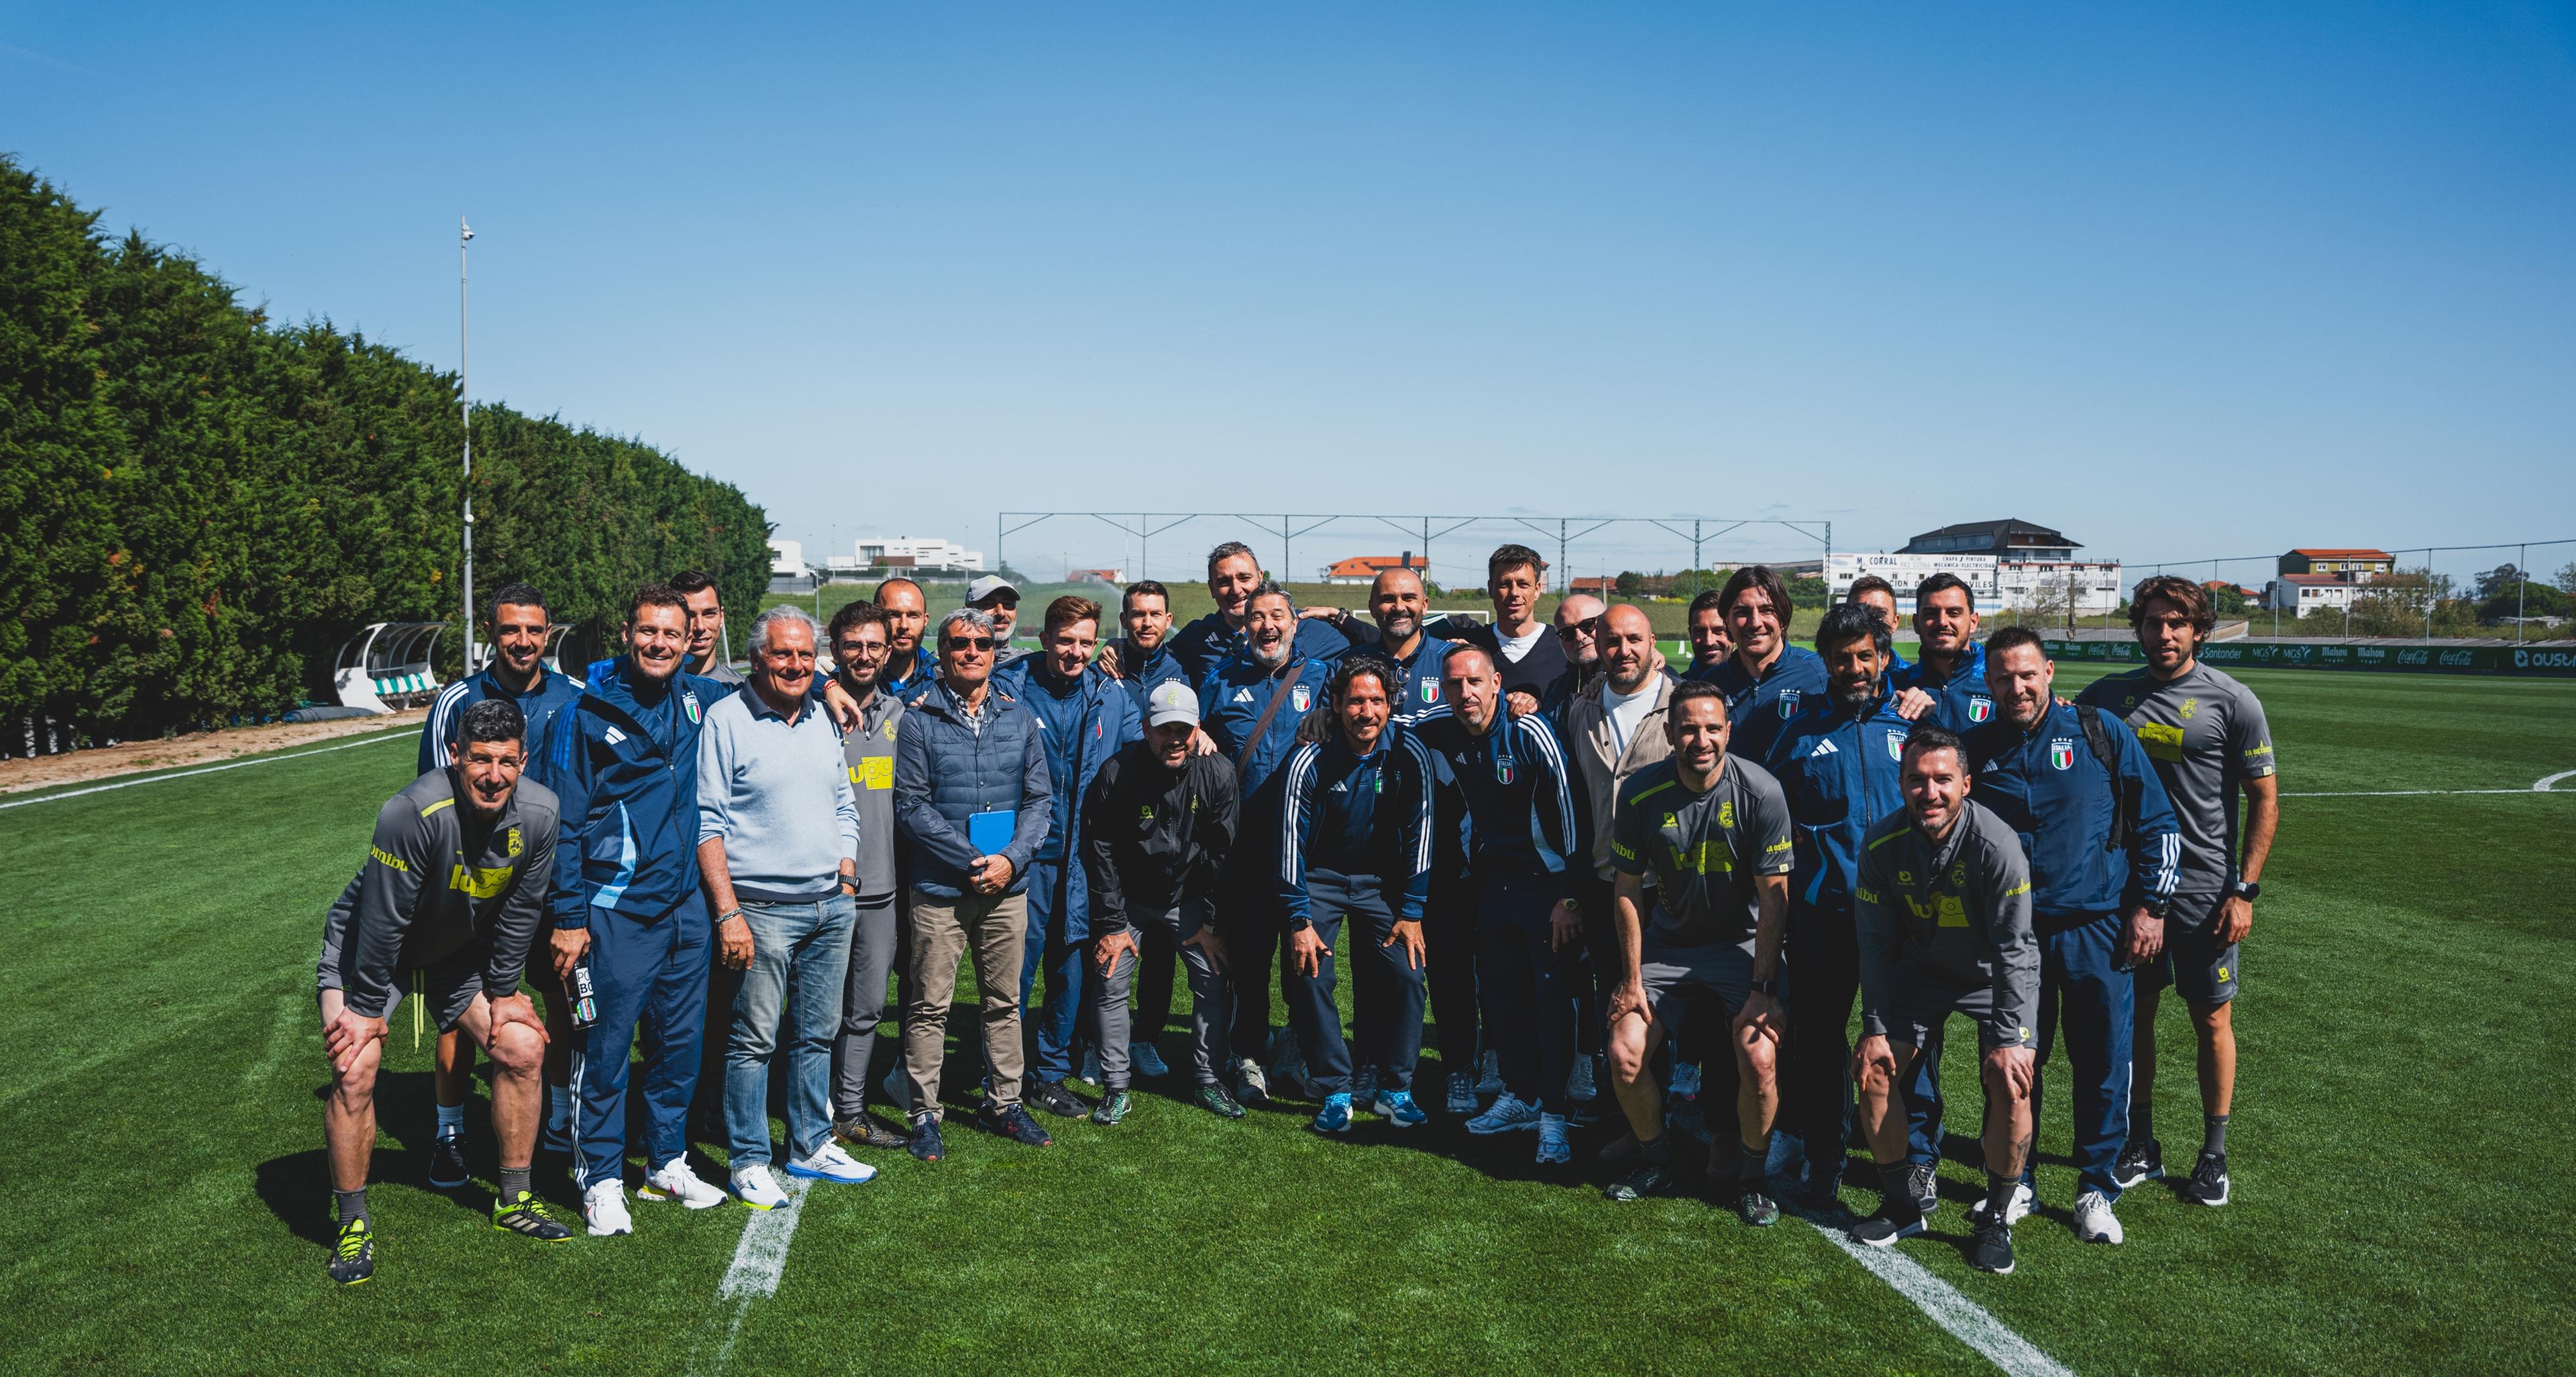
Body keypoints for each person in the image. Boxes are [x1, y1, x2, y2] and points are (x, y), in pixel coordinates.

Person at [315, 698, 570, 1284]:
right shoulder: (411, 811)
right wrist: (366, 1010)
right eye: (480, 759)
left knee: (523, 1047)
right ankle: (352, 1222)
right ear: (455, 756)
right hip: (370, 953)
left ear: (523, 761)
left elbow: (522, 909)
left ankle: (514, 1198)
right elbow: (381, 921)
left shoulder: (541, 812)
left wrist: (504, 991)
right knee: (356, 1067)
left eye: (507, 761)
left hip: (452, 953)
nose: (493, 774)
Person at [1963, 626, 2181, 1246]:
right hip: (2013, 939)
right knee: (2011, 1064)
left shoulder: (2100, 732)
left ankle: (2095, 1187)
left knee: (2103, 1061)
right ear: (1990, 682)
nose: (2017, 687)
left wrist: (2152, 907)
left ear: (2049, 671)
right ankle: (2017, 1178)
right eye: (2004, 677)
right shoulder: (1977, 747)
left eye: (2027, 674)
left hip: (2097, 929)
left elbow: (2157, 822)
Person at [2081, 575, 2279, 1208]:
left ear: (2199, 629)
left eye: (2177, 624)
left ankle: (2214, 1152)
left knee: (2211, 1017)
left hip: (2204, 892)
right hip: (2130, 890)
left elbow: (2265, 799)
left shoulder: (2232, 700)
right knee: (2133, 1016)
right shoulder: (2110, 696)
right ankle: (2140, 1142)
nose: (2163, 635)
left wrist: (2244, 890)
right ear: (2137, 628)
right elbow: (2043, 714)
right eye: (2152, 623)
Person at [549, 584, 741, 1236]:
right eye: (648, 632)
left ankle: (666, 1160)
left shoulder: (698, 698)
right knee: (603, 1048)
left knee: (678, 1046)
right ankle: (600, 1177)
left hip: (686, 907)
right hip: (615, 911)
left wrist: (827, 687)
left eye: (673, 634)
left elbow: (772, 690)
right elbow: (566, 825)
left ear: (692, 641)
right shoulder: (588, 712)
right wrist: (570, 918)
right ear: (627, 635)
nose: (660, 644)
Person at [694, 607, 875, 1207]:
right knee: (753, 1040)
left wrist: (846, 872)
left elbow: (844, 804)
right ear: (756, 658)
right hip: (761, 910)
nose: (796, 665)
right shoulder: (725, 720)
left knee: (817, 1034)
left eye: (805, 655)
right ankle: (749, 1158)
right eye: (783, 654)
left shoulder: (825, 715)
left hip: (830, 905)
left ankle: (809, 1145)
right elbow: (707, 824)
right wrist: (728, 912)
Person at [1847, 726, 2039, 1275]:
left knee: (2010, 1080)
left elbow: (2016, 948)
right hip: (1920, 972)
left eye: (1942, 780)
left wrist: (2013, 1039)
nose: (1929, 792)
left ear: (1966, 784)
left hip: (1989, 975)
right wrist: (1875, 1026)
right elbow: (1876, 944)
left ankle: (1998, 1215)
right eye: (1917, 780)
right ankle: (1901, 1205)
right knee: (1875, 1069)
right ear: (1902, 783)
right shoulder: (1882, 843)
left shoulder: (1997, 844)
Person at [1601, 681, 1794, 1223]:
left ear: (1728, 732)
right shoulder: (1640, 793)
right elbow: (1626, 889)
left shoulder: (1761, 791)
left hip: (1740, 946)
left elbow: (1773, 897)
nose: (1701, 738)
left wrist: (1763, 989)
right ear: (1669, 734)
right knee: (1625, 1050)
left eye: (1712, 727)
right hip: (1669, 944)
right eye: (1688, 727)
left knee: (1759, 1057)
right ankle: (1656, 1158)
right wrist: (1633, 979)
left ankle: (1753, 1178)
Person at [415, 582, 584, 1181]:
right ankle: (450, 1132)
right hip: (477, 898)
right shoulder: (456, 701)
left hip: (554, 887)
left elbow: (583, 805)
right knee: (463, 1017)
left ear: (548, 633)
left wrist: (572, 907)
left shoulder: (575, 699)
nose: (523, 640)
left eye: (534, 629)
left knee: (565, 1005)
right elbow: (436, 805)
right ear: (491, 633)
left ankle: (561, 1120)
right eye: (511, 629)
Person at [1765, 602, 1923, 1210]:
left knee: (1911, 1041)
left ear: (1883, 656)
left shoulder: (1913, 723)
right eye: (1843, 658)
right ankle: (1824, 1153)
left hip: (1902, 919)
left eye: (1865, 656)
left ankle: (1920, 1157)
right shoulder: (1800, 730)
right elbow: (1772, 813)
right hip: (1823, 914)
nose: (1855, 668)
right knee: (1820, 1040)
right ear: (1826, 662)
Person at [1413, 646, 1591, 1164]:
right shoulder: (1442, 728)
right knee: (1503, 996)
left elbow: (1574, 815)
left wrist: (1572, 896)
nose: (1464, 692)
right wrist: (1322, 722)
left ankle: (1556, 1116)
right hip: (1496, 886)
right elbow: (1387, 725)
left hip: (1550, 887)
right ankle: (1523, 1096)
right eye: (1453, 684)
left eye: (1474, 681)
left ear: (1496, 683)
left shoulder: (1529, 730)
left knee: (1551, 1000)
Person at [893, 607, 1057, 1159]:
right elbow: (910, 805)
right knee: (928, 1004)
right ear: (941, 652)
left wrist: (1010, 859)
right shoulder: (918, 719)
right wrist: (972, 860)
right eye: (960, 643)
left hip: (1007, 889)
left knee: (1004, 1001)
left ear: (993, 650)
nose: (971, 652)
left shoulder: (1018, 714)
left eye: (981, 643)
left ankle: (1004, 1102)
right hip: (941, 890)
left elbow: (1039, 800)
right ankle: (924, 1113)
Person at [996, 596, 1143, 1117]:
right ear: (1045, 638)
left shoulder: (1111, 695)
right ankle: (1004, 1072)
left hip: (1085, 858)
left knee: (1071, 970)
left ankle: (1050, 1074)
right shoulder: (1008, 686)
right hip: (1024, 857)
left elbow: (1138, 758)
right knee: (1013, 971)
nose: (1076, 652)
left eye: (1085, 641)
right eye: (1066, 640)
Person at [1277, 655, 1437, 1132]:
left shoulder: (1410, 750)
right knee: (1310, 974)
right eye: (1355, 701)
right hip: (1321, 879)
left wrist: (1412, 910)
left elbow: (1421, 830)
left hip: (1382, 883)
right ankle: (1335, 1087)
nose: (1365, 712)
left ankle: (1396, 1088)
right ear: (1336, 704)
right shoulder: (1309, 756)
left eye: (1375, 701)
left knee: (1408, 974)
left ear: (1390, 706)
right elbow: (1289, 840)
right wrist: (1298, 919)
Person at [1197, 582, 1339, 1105]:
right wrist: (1198, 737)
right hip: (1244, 854)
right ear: (1245, 624)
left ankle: (1299, 1053)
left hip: (1308, 854)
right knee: (1250, 962)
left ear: (1296, 623)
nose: (1267, 626)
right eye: (1257, 617)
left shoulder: (1324, 679)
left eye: (1278, 615)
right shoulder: (1221, 680)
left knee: (1306, 965)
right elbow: (1189, 737)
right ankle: (1249, 1055)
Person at [1081, 681, 1244, 1122]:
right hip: (1130, 899)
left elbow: (1223, 854)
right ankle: (1116, 1086)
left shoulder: (1218, 772)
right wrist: (1113, 924)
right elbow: (1100, 850)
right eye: (1163, 729)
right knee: (1111, 977)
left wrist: (1210, 924)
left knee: (1213, 975)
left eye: (1183, 729)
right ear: (1145, 728)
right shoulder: (1117, 772)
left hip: (1187, 897)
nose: (1174, 739)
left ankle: (1209, 1080)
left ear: (1197, 729)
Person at [1555, 604, 1675, 1134]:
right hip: (1608, 887)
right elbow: (1577, 809)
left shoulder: (1685, 705)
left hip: (1673, 892)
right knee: (1617, 1003)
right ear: (1597, 647)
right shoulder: (1581, 708)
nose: (1623, 650)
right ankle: (1628, 1120)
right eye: (1612, 641)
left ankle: (1688, 1122)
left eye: (1634, 639)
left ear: (1653, 643)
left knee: (1675, 1013)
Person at [820, 601, 912, 1150]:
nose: (864, 654)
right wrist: (819, 685)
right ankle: (800, 1102)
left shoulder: (902, 713)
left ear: (888, 650)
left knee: (866, 1007)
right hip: (813, 890)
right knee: (809, 1009)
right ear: (834, 650)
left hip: (879, 888)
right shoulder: (805, 707)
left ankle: (849, 1109)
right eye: (852, 644)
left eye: (874, 645)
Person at [1097, 579, 1193, 1081]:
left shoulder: (1184, 670)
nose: (1146, 622)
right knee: (1107, 936)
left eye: (1155, 613)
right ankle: (1096, 1040)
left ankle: (1146, 1037)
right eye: (1137, 614)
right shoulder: (1106, 667)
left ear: (1168, 616)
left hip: (1169, 827)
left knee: (1160, 950)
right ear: (1124, 619)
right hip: (1114, 817)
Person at [1688, 565, 1827, 767]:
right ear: (1727, 620)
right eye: (1742, 612)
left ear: (1784, 618)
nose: (1755, 623)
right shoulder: (1712, 682)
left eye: (1767, 610)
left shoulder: (1819, 673)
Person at [1169, 541, 1349, 684]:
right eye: (1224, 582)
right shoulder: (1195, 637)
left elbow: (1371, 649)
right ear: (1211, 588)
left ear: (1260, 578)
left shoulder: (1306, 627)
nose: (1236, 589)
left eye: (1244, 578)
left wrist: (1342, 619)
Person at [1427, 544, 1566, 714]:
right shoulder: (1469, 646)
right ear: (1490, 588)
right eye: (1504, 584)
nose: (1514, 593)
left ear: (1537, 590)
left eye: (1523, 584)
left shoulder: (1564, 645)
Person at [1896, 573, 1992, 729]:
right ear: (1916, 623)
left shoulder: (1997, 685)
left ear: (1973, 622)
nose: (1942, 622)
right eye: (1931, 614)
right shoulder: (1896, 687)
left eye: (1954, 613)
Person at [1536, 592, 1607, 718]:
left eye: (1587, 625)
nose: (1580, 637)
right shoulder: (1556, 689)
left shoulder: (1638, 673)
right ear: (1559, 640)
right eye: (1567, 633)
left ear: (1608, 622)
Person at [671, 569, 746, 685]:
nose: (700, 627)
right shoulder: (653, 690)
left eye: (709, 614)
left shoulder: (742, 690)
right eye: (689, 616)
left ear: (721, 617)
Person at [873, 577, 938, 696]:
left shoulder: (940, 678)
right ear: (875, 618)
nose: (904, 625)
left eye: (913, 616)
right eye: (893, 615)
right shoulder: (853, 675)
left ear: (925, 620)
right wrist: (828, 685)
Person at [1846, 575, 1913, 681]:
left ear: (1895, 622)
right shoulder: (1826, 675)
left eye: (1881, 613)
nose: (1870, 620)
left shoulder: (1912, 679)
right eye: (1860, 612)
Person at [968, 574, 1029, 666]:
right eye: (988, 604)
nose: (1001, 613)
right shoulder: (947, 664)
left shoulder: (1029, 663)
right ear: (967, 612)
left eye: (1008, 604)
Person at [1684, 588, 1732, 676]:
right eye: (1700, 631)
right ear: (1691, 635)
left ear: (1733, 632)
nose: (1709, 642)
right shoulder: (1675, 687)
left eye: (1718, 631)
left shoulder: (1756, 685)